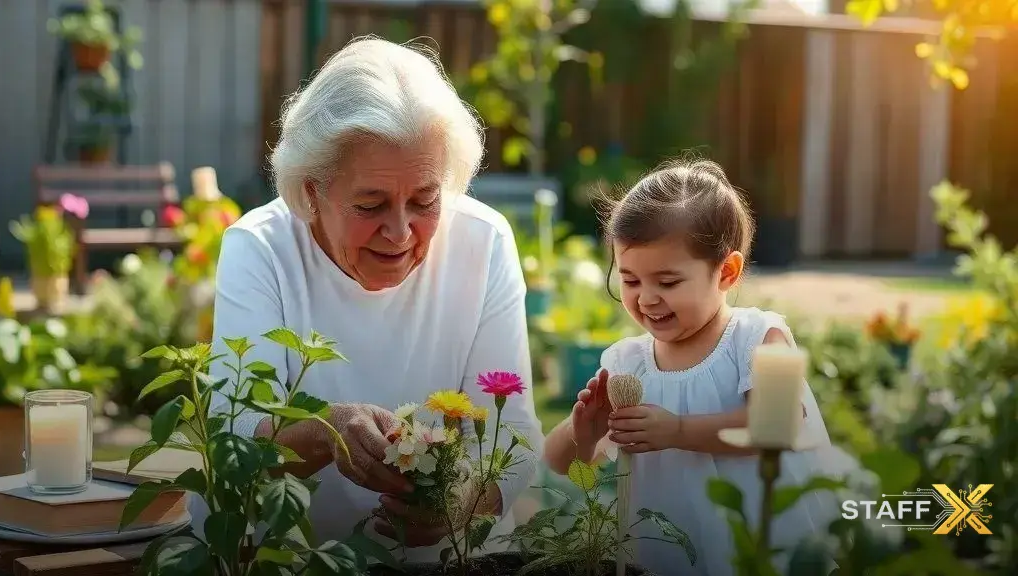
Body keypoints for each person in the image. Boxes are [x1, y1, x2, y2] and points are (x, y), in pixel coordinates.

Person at [201, 37, 545, 562]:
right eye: (371, 204)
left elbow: (514, 434)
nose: (401, 232)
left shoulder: (483, 241)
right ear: (312, 192)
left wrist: (460, 503)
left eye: (426, 200)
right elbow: (237, 436)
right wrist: (325, 430)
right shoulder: (262, 248)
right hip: (300, 564)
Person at [542, 158, 843, 575]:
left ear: (727, 272)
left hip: (758, 551)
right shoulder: (627, 364)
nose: (646, 298)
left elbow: (782, 424)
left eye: (667, 282)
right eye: (630, 280)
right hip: (666, 557)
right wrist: (583, 433)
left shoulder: (759, 337)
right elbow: (561, 463)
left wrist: (679, 431)